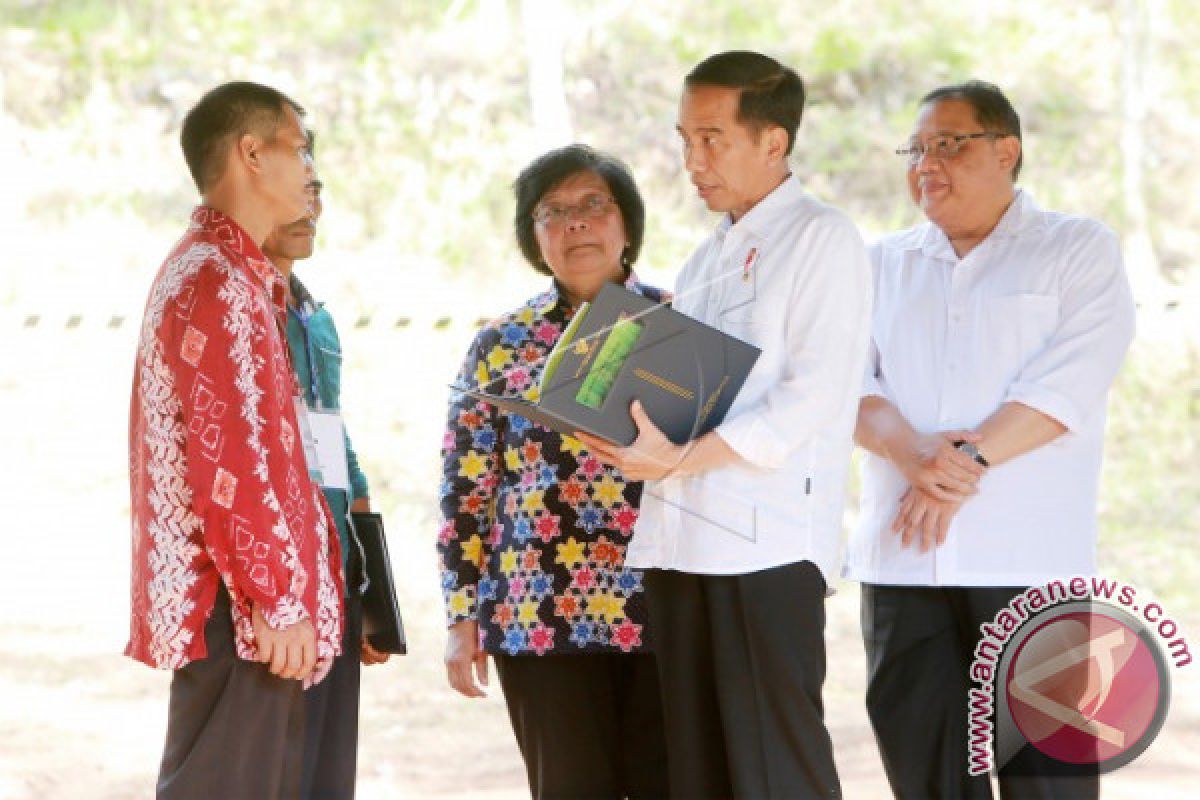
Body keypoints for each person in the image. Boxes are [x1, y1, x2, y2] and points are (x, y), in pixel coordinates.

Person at [580, 51, 872, 799]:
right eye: (683, 138)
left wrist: (678, 461)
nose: (692, 160)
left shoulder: (823, 238)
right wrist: (619, 425)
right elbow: (684, 397)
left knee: (775, 767)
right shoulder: (706, 256)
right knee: (699, 771)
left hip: (765, 547)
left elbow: (812, 396)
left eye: (712, 138)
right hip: (682, 545)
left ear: (773, 142)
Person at [847, 80, 1135, 799]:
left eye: (949, 143)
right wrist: (914, 455)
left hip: (1031, 562)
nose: (926, 163)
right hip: (904, 564)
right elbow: (847, 388)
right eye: (916, 148)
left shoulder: (1076, 248)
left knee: (1049, 782)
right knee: (926, 777)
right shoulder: (879, 264)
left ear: (1006, 150)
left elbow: (1069, 384)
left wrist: (962, 463)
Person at [126, 81, 344, 799]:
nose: (313, 169)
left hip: (250, 596)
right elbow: (228, 462)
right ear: (252, 153)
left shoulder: (244, 275)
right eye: (301, 147)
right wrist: (277, 597)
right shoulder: (214, 279)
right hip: (236, 602)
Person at [438, 144, 669, 800]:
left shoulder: (679, 324)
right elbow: (466, 487)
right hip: (538, 614)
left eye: (594, 205)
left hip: (663, 610)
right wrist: (462, 616)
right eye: (553, 212)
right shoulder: (499, 344)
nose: (575, 224)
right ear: (531, 237)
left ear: (627, 225)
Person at [260, 138, 389, 799]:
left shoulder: (317, 318)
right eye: (293, 192)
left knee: (324, 772)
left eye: (316, 194)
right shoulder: (236, 309)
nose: (307, 208)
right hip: (268, 583)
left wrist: (367, 590)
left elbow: (339, 450)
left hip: (332, 577)